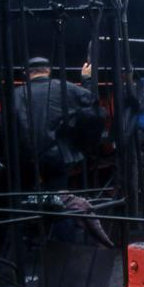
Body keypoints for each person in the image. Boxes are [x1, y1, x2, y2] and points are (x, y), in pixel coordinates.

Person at [13, 56, 103, 192]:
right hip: (57, 154)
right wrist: (87, 79)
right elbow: (92, 104)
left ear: (26, 73)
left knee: (27, 192)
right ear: (48, 71)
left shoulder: (16, 94)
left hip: (26, 156)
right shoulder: (65, 87)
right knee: (57, 193)